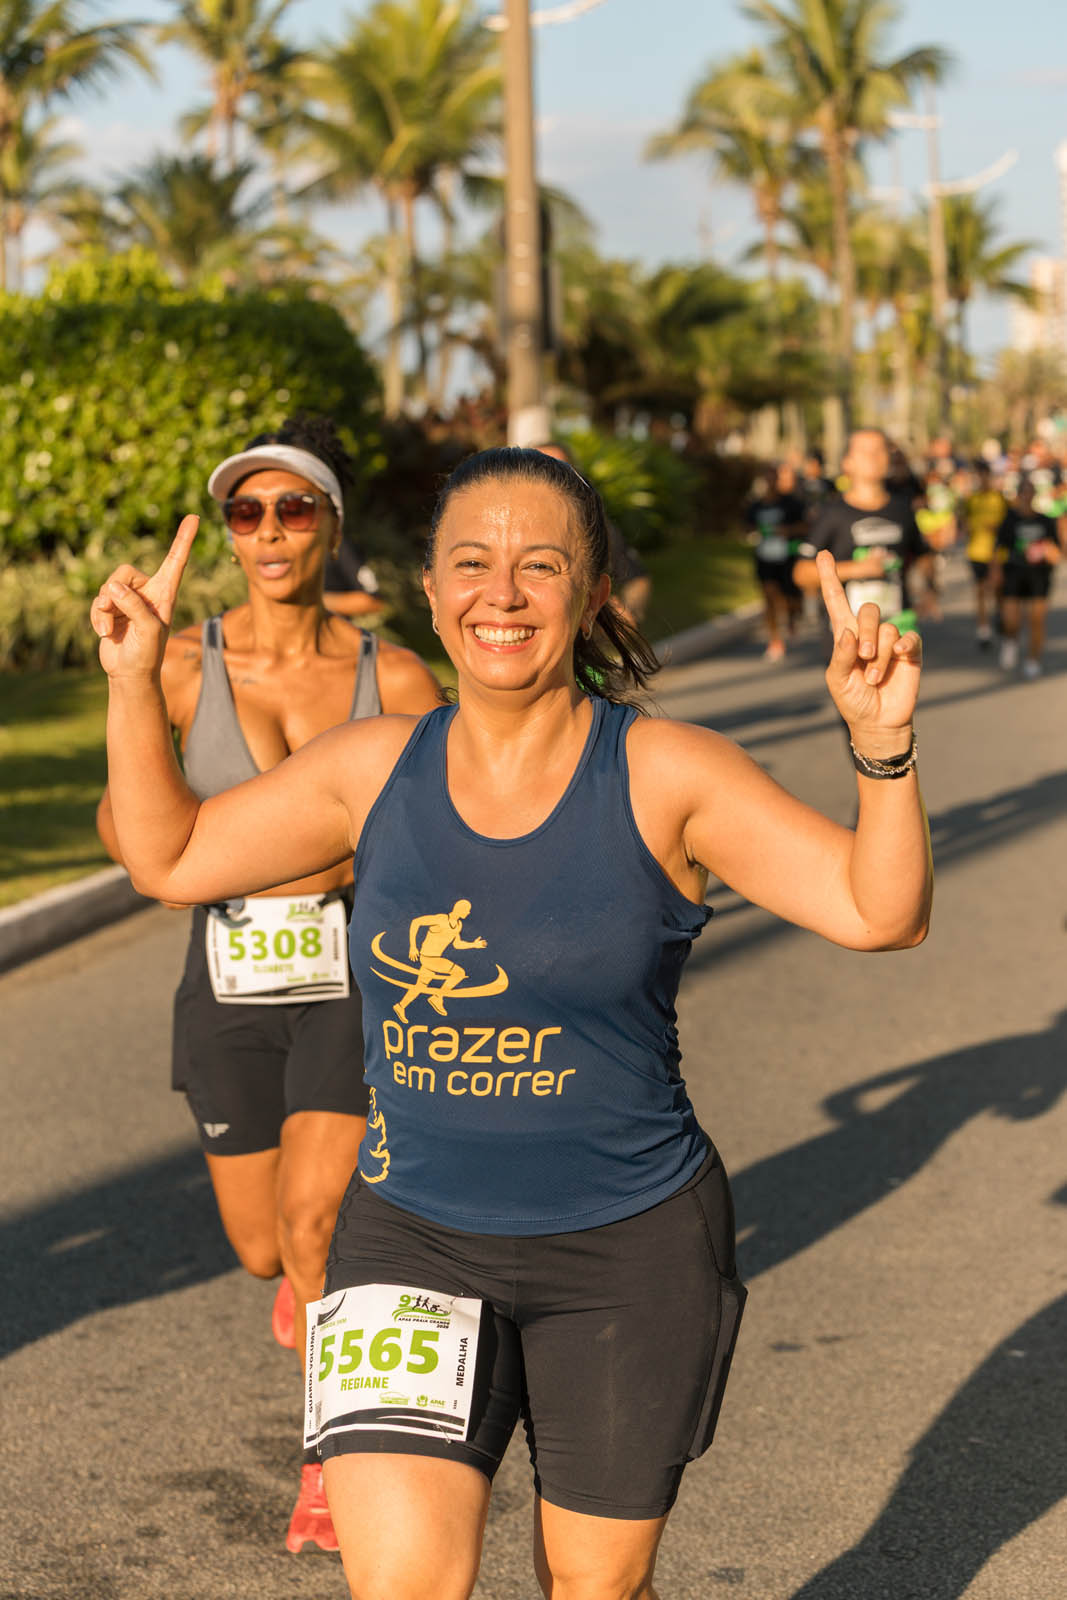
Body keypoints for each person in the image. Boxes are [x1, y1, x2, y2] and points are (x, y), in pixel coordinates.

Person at [91, 447, 931, 1600]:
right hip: (409, 1241)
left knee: (591, 1588)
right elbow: (168, 855)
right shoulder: (370, 768)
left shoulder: (665, 772)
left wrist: (881, 750)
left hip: (628, 1249)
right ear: (428, 592)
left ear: (591, 596)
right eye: (470, 564)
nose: (501, 593)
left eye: (539, 565)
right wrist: (134, 680)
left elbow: (878, 912)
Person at [95, 414, 441, 1555]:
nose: (270, 530)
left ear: (332, 525)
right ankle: (297, 1277)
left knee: (315, 1217)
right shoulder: (179, 665)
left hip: (357, 973)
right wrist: (148, 847)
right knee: (259, 1245)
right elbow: (119, 814)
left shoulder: (393, 675)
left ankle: (331, 1459)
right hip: (229, 970)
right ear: (231, 534)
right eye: (247, 511)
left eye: (294, 508)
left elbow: (457, 816)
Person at [794, 428, 933, 635]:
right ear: (847, 462)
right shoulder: (832, 513)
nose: (873, 457)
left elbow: (923, 554)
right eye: (864, 451)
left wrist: (928, 590)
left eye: (880, 450)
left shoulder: (903, 509)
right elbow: (801, 573)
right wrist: (859, 569)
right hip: (848, 633)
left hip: (898, 627)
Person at [993, 476, 1064, 677]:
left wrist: (1050, 552)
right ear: (1018, 495)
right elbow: (998, 548)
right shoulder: (1010, 519)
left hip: (1039, 576)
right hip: (1014, 573)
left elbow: (1057, 550)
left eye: (1030, 492)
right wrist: (995, 573)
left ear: (1034, 495)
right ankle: (1011, 640)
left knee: (1037, 620)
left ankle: (1033, 659)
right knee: (1011, 620)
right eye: (1023, 492)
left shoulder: (1045, 520)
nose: (1026, 496)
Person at [744, 463, 806, 661]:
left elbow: (805, 526)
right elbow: (746, 527)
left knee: (790, 599)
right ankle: (775, 640)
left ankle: (791, 619)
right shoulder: (755, 505)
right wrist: (755, 532)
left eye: (773, 477)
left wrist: (787, 531)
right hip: (765, 558)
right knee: (769, 596)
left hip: (787, 557)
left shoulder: (791, 503)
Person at [960, 461, 1007, 648]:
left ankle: (1000, 614)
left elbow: (1008, 524)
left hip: (997, 553)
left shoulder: (1000, 498)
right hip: (976, 551)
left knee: (997, 589)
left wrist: (997, 529)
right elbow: (964, 523)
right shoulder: (971, 500)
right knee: (980, 590)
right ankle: (983, 630)